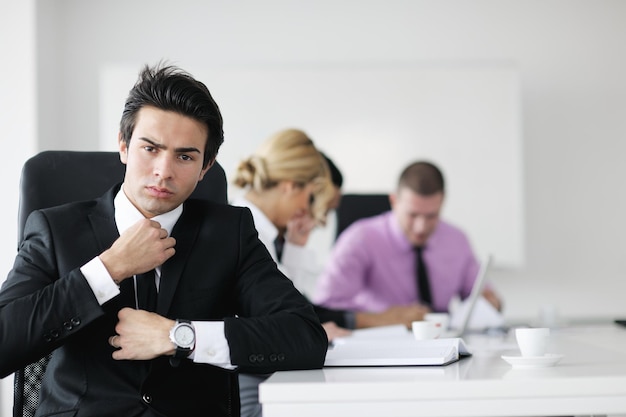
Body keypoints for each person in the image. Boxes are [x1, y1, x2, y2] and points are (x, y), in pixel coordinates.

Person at [0, 64, 327, 417]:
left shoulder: (229, 233)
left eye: (185, 156)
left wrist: (178, 337)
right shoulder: (55, 230)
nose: (164, 171)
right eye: (150, 149)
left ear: (206, 167)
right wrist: (109, 268)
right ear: (123, 146)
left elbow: (304, 336)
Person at [314, 160, 502, 320]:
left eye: (431, 216)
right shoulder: (360, 239)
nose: (421, 227)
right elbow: (325, 308)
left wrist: (490, 303)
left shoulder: (457, 240)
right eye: (412, 215)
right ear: (394, 201)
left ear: (442, 202)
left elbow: (479, 294)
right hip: (382, 345)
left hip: (445, 344)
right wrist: (386, 318)